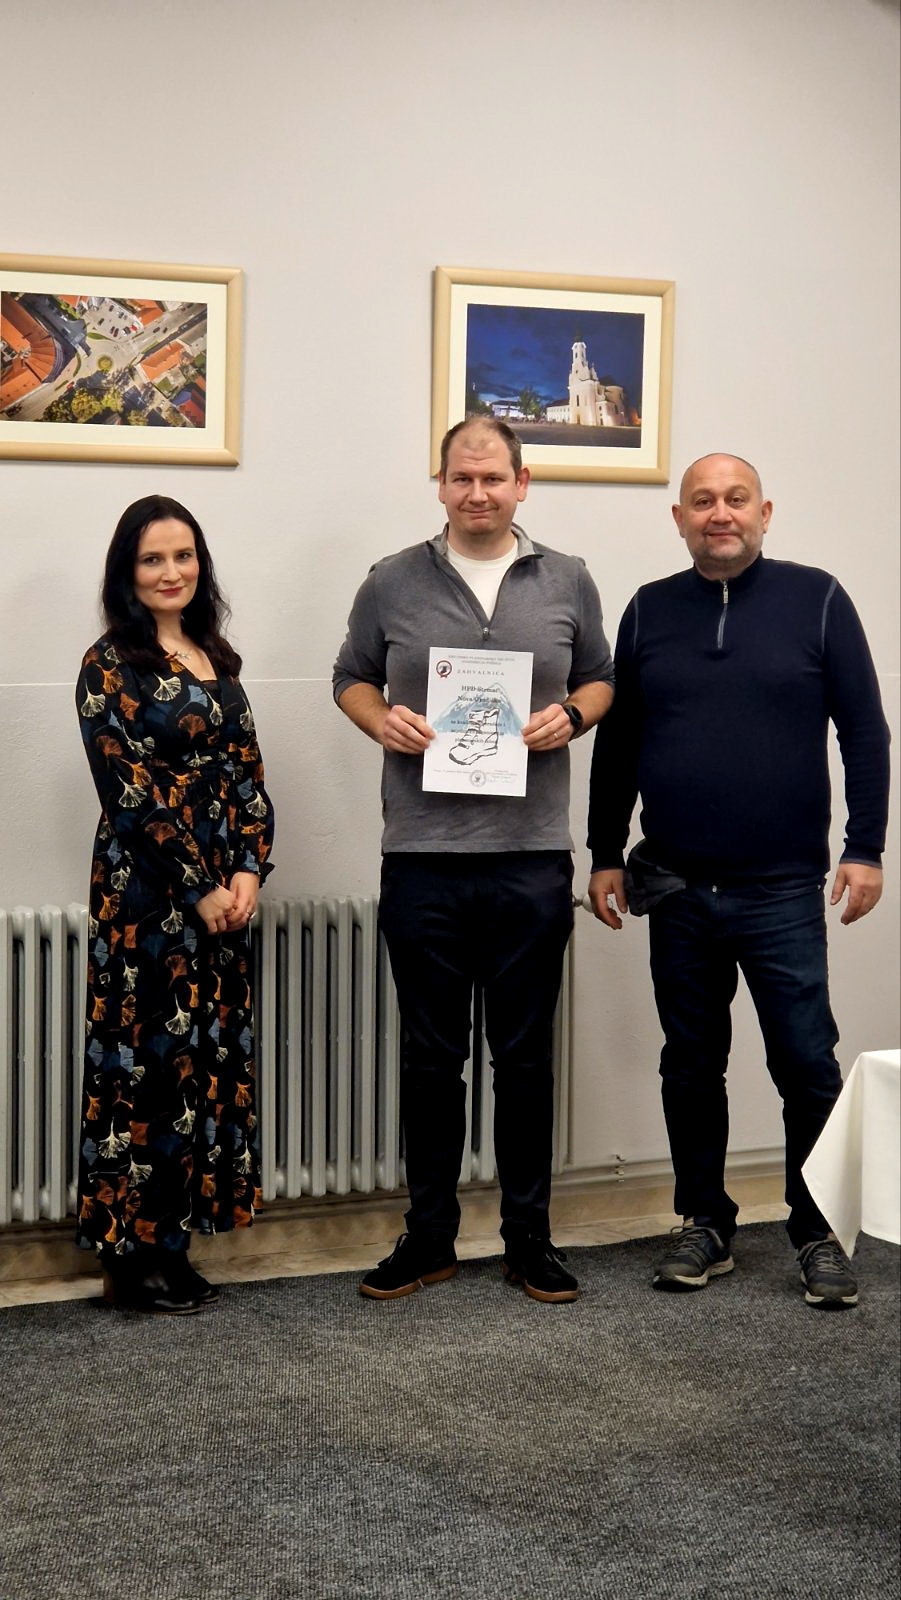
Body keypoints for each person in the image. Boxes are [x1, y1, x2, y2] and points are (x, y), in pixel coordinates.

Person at [587, 453, 890, 1308]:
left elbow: (863, 731)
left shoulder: (817, 598)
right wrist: (603, 851)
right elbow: (618, 743)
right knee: (689, 1063)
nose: (718, 514)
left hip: (781, 889)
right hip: (677, 888)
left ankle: (816, 1230)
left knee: (805, 1063)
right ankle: (704, 1222)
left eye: (734, 499)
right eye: (701, 501)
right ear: (678, 519)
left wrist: (864, 847)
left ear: (764, 512)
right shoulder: (647, 610)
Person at [333, 417, 615, 1303]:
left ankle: (529, 1239)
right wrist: (381, 720)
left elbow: (601, 677)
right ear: (441, 485)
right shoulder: (391, 580)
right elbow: (349, 676)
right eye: (461, 478)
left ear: (521, 484)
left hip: (531, 859)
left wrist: (573, 715)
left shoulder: (567, 578)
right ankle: (428, 1238)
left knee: (524, 1062)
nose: (477, 492)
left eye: (493, 478)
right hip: (423, 857)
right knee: (429, 1060)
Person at [75, 495, 275, 1314]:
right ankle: (131, 1256)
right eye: (152, 559)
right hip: (146, 897)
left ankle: (177, 1242)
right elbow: (127, 795)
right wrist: (198, 887)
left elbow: (247, 772)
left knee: (203, 1066)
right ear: (127, 572)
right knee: (146, 1068)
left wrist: (249, 871)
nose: (170, 572)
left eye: (183, 556)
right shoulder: (107, 664)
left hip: (223, 898)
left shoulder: (214, 655)